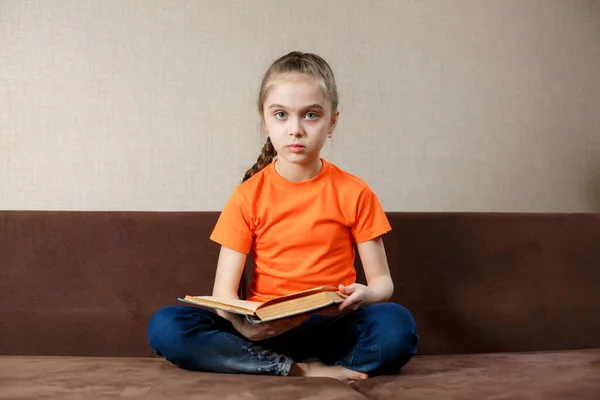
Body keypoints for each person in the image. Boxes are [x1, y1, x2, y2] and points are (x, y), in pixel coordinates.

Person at [147, 51, 419, 381]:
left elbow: (382, 283)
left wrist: (367, 295)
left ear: (333, 121)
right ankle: (298, 370)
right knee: (166, 326)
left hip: (332, 325)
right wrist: (245, 331)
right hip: (266, 329)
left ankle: (294, 366)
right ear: (264, 119)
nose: (295, 130)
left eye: (311, 115)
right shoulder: (248, 195)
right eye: (281, 115)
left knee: (397, 324)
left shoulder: (355, 191)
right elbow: (223, 296)